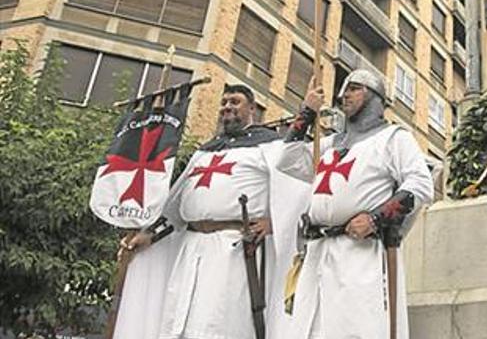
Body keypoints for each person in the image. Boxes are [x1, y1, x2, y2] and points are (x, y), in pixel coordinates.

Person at [113, 84, 313, 339]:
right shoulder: (206, 151)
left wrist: (274, 222)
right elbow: (176, 206)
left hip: (234, 249)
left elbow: (299, 186)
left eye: (235, 101)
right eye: (225, 102)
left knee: (221, 322)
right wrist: (149, 235)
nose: (227, 106)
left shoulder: (270, 146)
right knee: (179, 319)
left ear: (252, 108)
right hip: (192, 247)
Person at [277, 69, 434, 339]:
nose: (344, 94)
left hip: (358, 253)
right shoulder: (329, 145)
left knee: (355, 328)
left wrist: (375, 219)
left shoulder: (394, 138)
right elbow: (288, 159)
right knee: (308, 330)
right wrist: (307, 112)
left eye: (354, 88)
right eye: (343, 89)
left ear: (375, 97)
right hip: (317, 252)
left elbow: (420, 184)